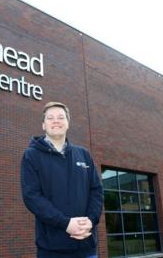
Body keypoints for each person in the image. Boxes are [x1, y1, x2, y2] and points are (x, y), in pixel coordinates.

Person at [21, 102, 104, 258]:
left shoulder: (83, 154)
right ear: (43, 125)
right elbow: (32, 197)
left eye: (61, 117)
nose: (56, 121)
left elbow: (96, 191)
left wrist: (91, 221)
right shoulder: (31, 155)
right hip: (52, 250)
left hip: (87, 247)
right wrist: (65, 224)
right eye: (50, 118)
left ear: (67, 123)